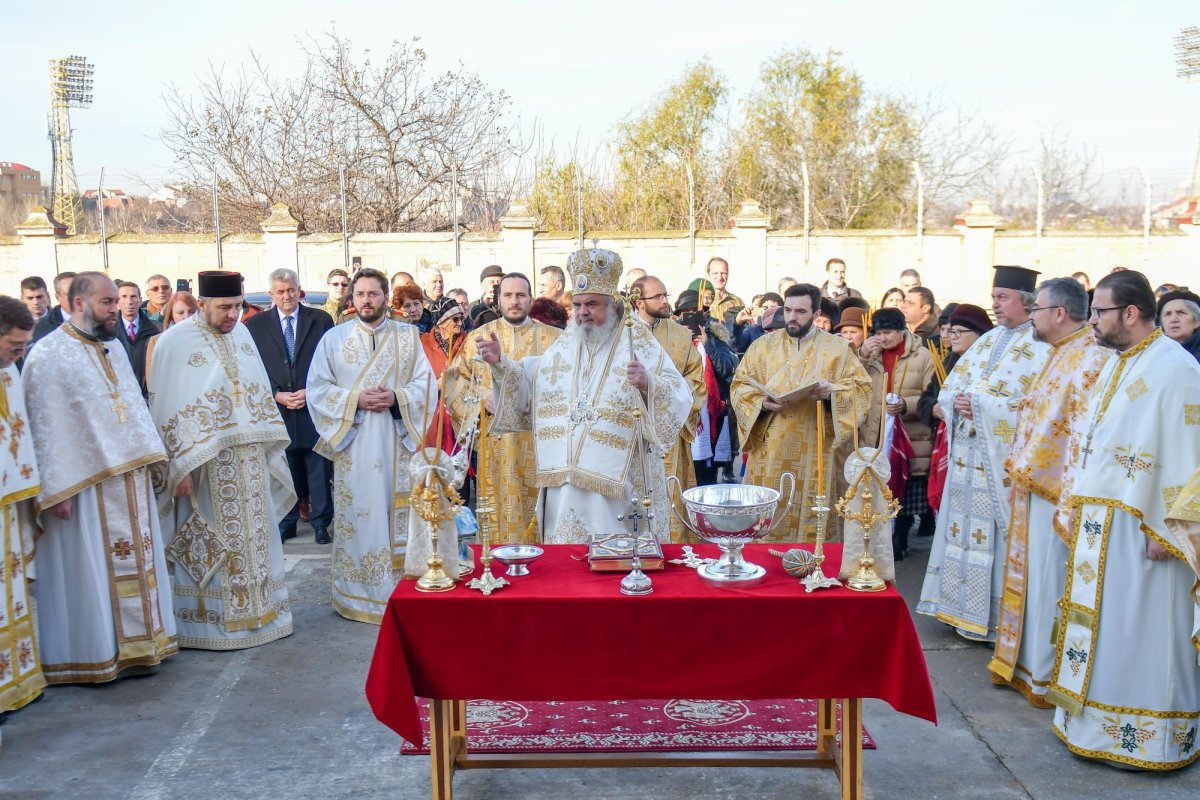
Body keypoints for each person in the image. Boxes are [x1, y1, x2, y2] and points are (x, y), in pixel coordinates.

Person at [1045, 270, 1200, 770]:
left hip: (1146, 529)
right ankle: (1094, 727)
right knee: (1107, 634)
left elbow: (1191, 451)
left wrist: (1174, 525)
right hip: (1102, 524)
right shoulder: (1121, 362)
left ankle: (1151, 738)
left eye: (1099, 312)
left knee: (1145, 635)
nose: (1092, 321)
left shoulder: (1175, 368)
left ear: (1129, 314)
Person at [478, 247, 691, 544]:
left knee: (614, 563)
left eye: (592, 303)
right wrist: (502, 366)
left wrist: (647, 384)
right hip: (564, 483)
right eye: (577, 304)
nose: (582, 312)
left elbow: (679, 394)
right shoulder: (567, 343)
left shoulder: (636, 340)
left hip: (617, 486)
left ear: (613, 304)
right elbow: (535, 380)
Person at [23, 272, 177, 682]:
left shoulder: (113, 348)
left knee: (138, 560)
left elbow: (132, 410)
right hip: (83, 485)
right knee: (89, 574)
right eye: (107, 302)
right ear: (78, 303)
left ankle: (144, 645)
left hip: (129, 479)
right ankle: (95, 655)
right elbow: (44, 426)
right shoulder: (47, 354)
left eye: (115, 302)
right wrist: (55, 489)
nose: (117, 309)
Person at [149, 270, 295, 650]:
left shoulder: (242, 333)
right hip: (205, 468)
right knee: (210, 543)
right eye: (224, 307)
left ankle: (262, 611)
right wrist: (177, 466)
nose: (233, 314)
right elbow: (165, 407)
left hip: (249, 461)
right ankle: (210, 624)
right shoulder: (174, 342)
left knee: (256, 540)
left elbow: (256, 390)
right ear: (201, 305)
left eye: (237, 306)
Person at [988, 277, 1111, 708]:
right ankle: (1027, 667)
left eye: (1036, 309)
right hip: (1033, 482)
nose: (1032, 318)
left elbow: (1084, 432)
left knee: (1048, 580)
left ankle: (1046, 673)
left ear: (1059, 313)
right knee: (1033, 579)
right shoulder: (1061, 353)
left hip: (1055, 489)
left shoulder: (1091, 358)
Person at [918, 266, 1050, 642]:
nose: (994, 304)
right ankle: (960, 610)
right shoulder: (989, 341)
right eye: (993, 296)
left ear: (1026, 302)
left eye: (1002, 297)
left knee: (996, 541)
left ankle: (994, 622)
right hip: (967, 461)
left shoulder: (1040, 347)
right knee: (960, 535)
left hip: (999, 466)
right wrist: (953, 401)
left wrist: (981, 407)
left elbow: (1037, 406)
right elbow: (951, 387)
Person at [306, 268, 435, 623]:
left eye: (373, 294)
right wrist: (356, 400)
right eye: (360, 294)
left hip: (397, 441)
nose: (366, 300)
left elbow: (427, 386)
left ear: (384, 298)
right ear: (352, 299)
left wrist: (396, 397)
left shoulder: (408, 337)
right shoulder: (334, 339)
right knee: (361, 514)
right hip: (356, 445)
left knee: (399, 515)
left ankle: (403, 590)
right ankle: (359, 594)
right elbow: (317, 388)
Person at [730, 283, 872, 540]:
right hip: (770, 450)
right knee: (766, 522)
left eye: (801, 311)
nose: (792, 317)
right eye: (788, 309)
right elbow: (740, 386)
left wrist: (833, 393)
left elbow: (862, 391)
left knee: (811, 521)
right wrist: (761, 403)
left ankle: (811, 565)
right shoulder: (763, 346)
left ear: (817, 314)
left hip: (815, 448)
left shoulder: (838, 350)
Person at [444, 273, 561, 544]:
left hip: (541, 446)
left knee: (542, 516)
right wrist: (482, 397)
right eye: (508, 295)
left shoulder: (555, 339)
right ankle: (495, 567)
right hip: (495, 447)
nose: (514, 301)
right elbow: (455, 382)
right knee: (498, 515)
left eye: (521, 295)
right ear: (499, 299)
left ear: (531, 299)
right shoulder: (478, 337)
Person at [245, 268, 336, 545]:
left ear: (300, 290)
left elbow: (330, 361)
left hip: (313, 407)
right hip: (278, 410)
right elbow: (253, 368)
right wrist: (275, 394)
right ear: (271, 294)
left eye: (291, 290)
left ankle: (321, 523)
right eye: (281, 292)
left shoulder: (320, 320)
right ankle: (287, 521)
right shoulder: (256, 326)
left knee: (318, 468)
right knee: (285, 468)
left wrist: (314, 391)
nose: (287, 296)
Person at [857, 307, 935, 559]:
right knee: (877, 488)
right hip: (875, 430)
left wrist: (906, 404)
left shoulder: (922, 356)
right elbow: (855, 385)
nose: (883, 337)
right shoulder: (872, 355)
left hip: (910, 434)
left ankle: (900, 538)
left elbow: (930, 396)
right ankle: (878, 538)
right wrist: (861, 357)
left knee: (904, 490)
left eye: (888, 332)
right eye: (878, 332)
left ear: (902, 331)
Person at [632, 275, 705, 538]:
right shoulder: (623, 333)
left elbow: (696, 380)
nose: (665, 301)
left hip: (671, 434)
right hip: (632, 435)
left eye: (666, 295)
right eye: (658, 297)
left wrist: (669, 405)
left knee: (671, 499)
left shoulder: (679, 335)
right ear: (639, 302)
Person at [0, 296, 44, 728]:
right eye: (15, 346)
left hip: (8, 506)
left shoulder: (8, 372)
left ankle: (13, 681)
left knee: (10, 597)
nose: (21, 354)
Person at [143, 291, 199, 383]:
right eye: (180, 313)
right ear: (172, 316)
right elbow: (152, 382)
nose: (187, 317)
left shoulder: (209, 340)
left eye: (191, 312)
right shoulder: (157, 341)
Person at [116, 280, 159, 394]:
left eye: (133, 296)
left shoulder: (156, 330)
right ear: (117, 301)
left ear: (140, 300)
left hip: (149, 393)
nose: (129, 302)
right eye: (124, 297)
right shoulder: (107, 332)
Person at [31, 272, 76, 345]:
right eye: (69, 294)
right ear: (57, 297)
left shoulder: (97, 321)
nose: (77, 298)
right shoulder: (40, 328)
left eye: (80, 292)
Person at [1157, 288, 1200, 362]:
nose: (1173, 319)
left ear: (1197, 321)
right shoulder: (1154, 354)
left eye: (1181, 312)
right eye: (1168, 314)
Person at [705, 257, 745, 326]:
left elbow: (744, 330)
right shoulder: (702, 301)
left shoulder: (737, 302)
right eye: (715, 273)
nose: (720, 277)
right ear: (708, 275)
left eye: (723, 273)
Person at [467, 265, 504, 330]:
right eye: (491, 282)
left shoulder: (508, 303)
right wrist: (484, 304)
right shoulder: (473, 306)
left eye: (499, 281)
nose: (496, 284)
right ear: (483, 285)